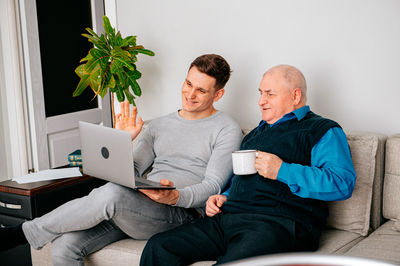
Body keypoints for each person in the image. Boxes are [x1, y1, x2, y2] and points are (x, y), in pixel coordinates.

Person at [0, 54, 243, 265]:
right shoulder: (159, 124)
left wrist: (176, 196)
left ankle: (24, 233)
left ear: (218, 94)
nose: (190, 94)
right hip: (136, 206)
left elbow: (213, 185)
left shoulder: (226, 129)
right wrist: (122, 142)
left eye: (201, 90)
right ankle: (28, 232)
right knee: (65, 246)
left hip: (181, 214)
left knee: (112, 194)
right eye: (188, 83)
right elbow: (132, 171)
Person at [140, 64, 357, 266]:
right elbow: (241, 180)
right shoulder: (254, 135)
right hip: (230, 219)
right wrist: (224, 196)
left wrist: (282, 170)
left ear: (295, 96)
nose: (261, 101)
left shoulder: (321, 129)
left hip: (279, 224)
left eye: (270, 94)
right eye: (260, 93)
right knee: (159, 247)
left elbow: (342, 183)